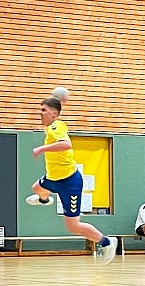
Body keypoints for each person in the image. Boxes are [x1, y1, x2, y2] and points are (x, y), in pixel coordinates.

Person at [26, 96, 117, 263]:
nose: (40, 113)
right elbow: (55, 118)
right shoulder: (52, 127)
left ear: (53, 114)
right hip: (53, 178)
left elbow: (66, 144)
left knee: (73, 226)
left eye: (43, 110)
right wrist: (59, 101)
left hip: (69, 183)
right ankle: (45, 200)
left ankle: (107, 242)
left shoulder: (56, 126)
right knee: (36, 188)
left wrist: (42, 149)